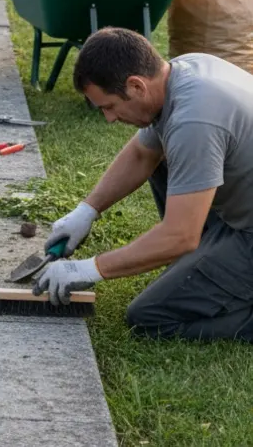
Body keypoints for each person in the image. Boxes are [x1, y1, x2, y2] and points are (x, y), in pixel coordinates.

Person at [34, 27, 253, 341]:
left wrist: (90, 269)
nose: (109, 119)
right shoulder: (180, 74)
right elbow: (141, 154)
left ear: (135, 85)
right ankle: (206, 266)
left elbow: (180, 237)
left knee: (150, 316)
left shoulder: (195, 121)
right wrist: (87, 211)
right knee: (160, 158)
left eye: (109, 106)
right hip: (241, 214)